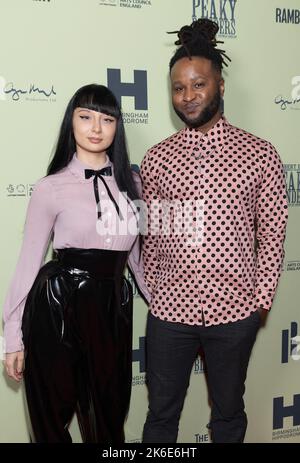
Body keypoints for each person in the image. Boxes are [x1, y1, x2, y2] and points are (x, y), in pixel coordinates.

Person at [141, 19, 288, 443]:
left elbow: (273, 232)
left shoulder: (259, 153)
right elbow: (151, 234)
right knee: (160, 417)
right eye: (178, 88)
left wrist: (259, 301)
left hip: (234, 313)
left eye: (198, 85)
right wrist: (156, 290)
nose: (188, 97)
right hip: (169, 315)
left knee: (228, 414)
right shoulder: (156, 159)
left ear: (220, 86)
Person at [2, 83, 150, 443]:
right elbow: (28, 262)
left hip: (112, 306)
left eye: (106, 119)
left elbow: (135, 257)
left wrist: (165, 304)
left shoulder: (133, 183)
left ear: (117, 127)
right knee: (51, 419)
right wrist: (12, 337)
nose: (96, 128)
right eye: (85, 117)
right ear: (72, 123)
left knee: (109, 417)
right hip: (57, 303)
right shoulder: (50, 187)